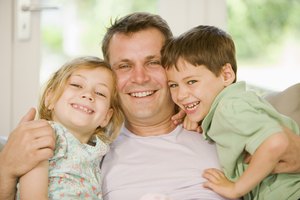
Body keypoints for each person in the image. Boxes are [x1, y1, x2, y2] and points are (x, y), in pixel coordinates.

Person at [1, 12, 300, 200]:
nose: (140, 78)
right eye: (124, 66)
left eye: (153, 63)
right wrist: (6, 170)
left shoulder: (218, 118)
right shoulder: (91, 142)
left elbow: (279, 145)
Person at [161, 25, 300, 200]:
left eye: (191, 82)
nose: (180, 95)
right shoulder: (232, 104)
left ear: (226, 75)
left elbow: (276, 142)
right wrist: (195, 114)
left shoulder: (229, 109)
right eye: (173, 85)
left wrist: (236, 189)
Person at [17, 56, 123, 199]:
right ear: (50, 98)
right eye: (77, 85)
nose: (88, 95)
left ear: (106, 117)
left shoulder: (100, 152)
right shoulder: (44, 135)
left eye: (100, 93)